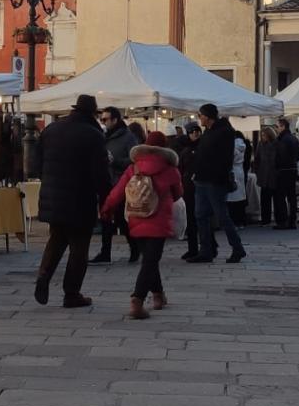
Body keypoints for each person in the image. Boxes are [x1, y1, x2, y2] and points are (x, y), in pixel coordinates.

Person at [30, 95, 112, 308]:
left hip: (53, 196)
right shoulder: (93, 135)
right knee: (79, 247)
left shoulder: (51, 129)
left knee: (56, 238)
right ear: (93, 113)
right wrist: (106, 200)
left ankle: (43, 275)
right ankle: (71, 293)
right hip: (80, 198)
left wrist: (49, 181)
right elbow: (101, 174)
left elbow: (36, 163)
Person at [102, 132, 182, 319]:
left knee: (149, 260)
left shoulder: (134, 167)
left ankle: (158, 295)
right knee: (150, 261)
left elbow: (117, 192)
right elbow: (178, 194)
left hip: (136, 218)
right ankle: (137, 300)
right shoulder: (171, 170)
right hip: (159, 220)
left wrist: (106, 208)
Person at [189, 103, 246, 263]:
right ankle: (206, 250)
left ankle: (237, 248)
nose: (198, 118)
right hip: (201, 179)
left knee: (222, 216)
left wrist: (216, 176)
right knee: (200, 215)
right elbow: (203, 154)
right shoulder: (208, 132)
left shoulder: (225, 132)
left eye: (200, 115)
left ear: (207, 116)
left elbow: (224, 159)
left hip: (215, 181)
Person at [92, 107, 140, 264]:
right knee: (105, 217)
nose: (103, 122)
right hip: (105, 181)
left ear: (115, 120)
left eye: (105, 119)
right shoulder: (104, 136)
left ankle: (134, 247)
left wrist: (115, 162)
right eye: (102, 119)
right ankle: (105, 253)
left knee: (120, 218)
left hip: (121, 183)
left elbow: (135, 159)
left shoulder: (128, 137)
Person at [175, 124, 200, 259]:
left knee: (201, 218)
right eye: (192, 132)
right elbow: (181, 169)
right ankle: (193, 248)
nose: (195, 134)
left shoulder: (203, 148)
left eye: (197, 131)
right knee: (191, 218)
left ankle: (208, 246)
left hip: (200, 186)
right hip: (188, 187)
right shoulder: (185, 150)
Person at [272, 118, 299, 229]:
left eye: (277, 126)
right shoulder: (294, 139)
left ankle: (283, 221)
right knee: (291, 197)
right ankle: (292, 220)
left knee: (280, 196)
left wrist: (278, 165)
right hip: (292, 170)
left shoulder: (282, 140)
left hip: (283, 171)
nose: (276, 128)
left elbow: (280, 157)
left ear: (283, 126)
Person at [254, 126, 279, 226]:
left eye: (264, 135)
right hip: (263, 175)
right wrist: (257, 171)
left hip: (273, 175)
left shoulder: (275, 144)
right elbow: (257, 158)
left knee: (276, 199)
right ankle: (265, 219)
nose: (262, 137)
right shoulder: (260, 145)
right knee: (264, 199)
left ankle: (278, 218)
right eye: (262, 135)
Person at [229, 128, 252, 229]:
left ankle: (234, 221)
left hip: (232, 172)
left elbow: (229, 159)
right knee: (241, 198)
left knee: (232, 199)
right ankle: (241, 221)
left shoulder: (232, 146)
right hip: (240, 171)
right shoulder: (244, 145)